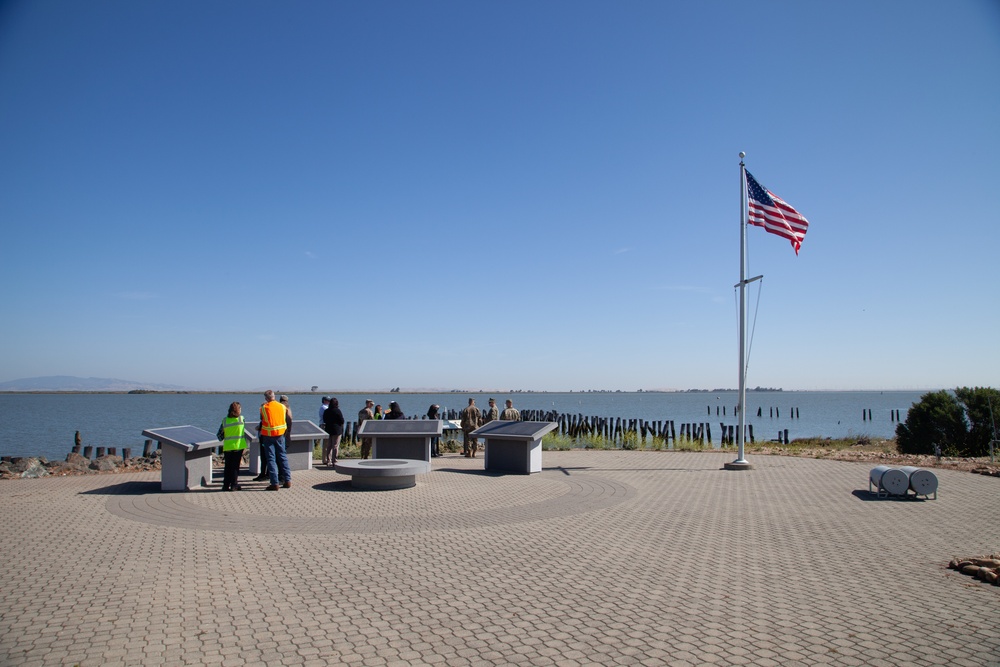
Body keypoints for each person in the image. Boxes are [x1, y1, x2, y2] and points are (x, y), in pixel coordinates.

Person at [259, 390, 291, 490]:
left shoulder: (264, 408)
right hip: (280, 435)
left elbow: (262, 419)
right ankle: (287, 480)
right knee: (283, 457)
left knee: (271, 459)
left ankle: (274, 483)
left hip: (268, 436)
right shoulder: (282, 406)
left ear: (266, 398)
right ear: (274, 396)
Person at [219, 401, 251, 491]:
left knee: (227, 467)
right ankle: (234, 484)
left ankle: (225, 485)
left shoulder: (225, 420)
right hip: (238, 446)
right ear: (238, 410)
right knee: (235, 467)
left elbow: (219, 435)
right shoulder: (241, 419)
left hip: (228, 446)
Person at [323, 397, 345, 466]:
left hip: (328, 429)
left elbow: (324, 420)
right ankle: (334, 461)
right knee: (335, 446)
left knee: (329, 446)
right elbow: (342, 420)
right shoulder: (337, 411)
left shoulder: (326, 411)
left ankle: (328, 460)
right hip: (336, 430)